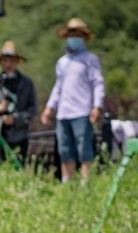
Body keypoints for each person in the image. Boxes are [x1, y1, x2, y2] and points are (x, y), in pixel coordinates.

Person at [40, 18, 105, 183]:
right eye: (71, 34)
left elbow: (98, 83)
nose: (74, 37)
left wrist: (97, 105)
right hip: (63, 113)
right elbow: (58, 87)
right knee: (65, 150)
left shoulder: (90, 59)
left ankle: (85, 184)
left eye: (78, 34)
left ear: (83, 37)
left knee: (84, 149)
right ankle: (66, 182)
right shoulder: (62, 62)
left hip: (82, 111)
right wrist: (49, 107)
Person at [0, 40, 38, 164]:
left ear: (17, 62)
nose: (8, 64)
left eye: (11, 60)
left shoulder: (26, 83)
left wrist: (16, 119)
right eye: (5, 60)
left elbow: (32, 109)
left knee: (19, 167)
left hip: (19, 136)